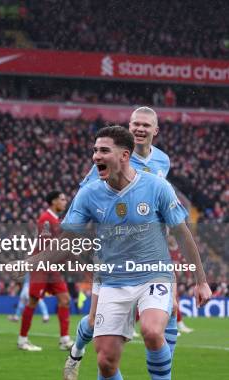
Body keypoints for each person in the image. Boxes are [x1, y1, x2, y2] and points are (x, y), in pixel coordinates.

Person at [23, 126, 211, 380]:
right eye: (95, 150)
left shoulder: (157, 187)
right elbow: (66, 242)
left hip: (153, 275)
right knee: (106, 361)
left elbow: (182, 233)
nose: (95, 157)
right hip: (113, 279)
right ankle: (78, 349)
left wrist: (201, 281)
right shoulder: (89, 194)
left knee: (152, 331)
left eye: (103, 151)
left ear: (124, 155)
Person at [65, 107, 177, 379]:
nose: (140, 129)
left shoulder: (162, 161)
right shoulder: (109, 161)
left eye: (145, 125)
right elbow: (87, 198)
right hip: (112, 259)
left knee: (162, 319)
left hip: (151, 256)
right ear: (128, 128)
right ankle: (76, 350)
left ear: (155, 130)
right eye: (135, 124)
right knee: (93, 323)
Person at [17, 191, 73, 351]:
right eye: (62, 199)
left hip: (52, 267)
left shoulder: (55, 219)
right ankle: (22, 340)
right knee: (33, 301)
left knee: (64, 299)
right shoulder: (46, 219)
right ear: (54, 202)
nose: (65, 202)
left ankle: (64, 340)